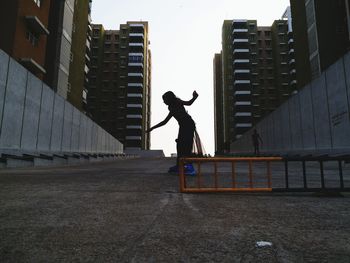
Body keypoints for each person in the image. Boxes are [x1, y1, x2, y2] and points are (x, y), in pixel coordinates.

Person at [146, 90, 198, 174]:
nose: (164, 102)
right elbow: (164, 121)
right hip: (183, 126)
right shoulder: (171, 108)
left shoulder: (177, 101)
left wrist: (194, 97)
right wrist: (152, 128)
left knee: (186, 145)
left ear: (169, 99)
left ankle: (189, 168)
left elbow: (189, 103)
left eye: (165, 100)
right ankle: (179, 166)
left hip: (188, 124)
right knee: (179, 146)